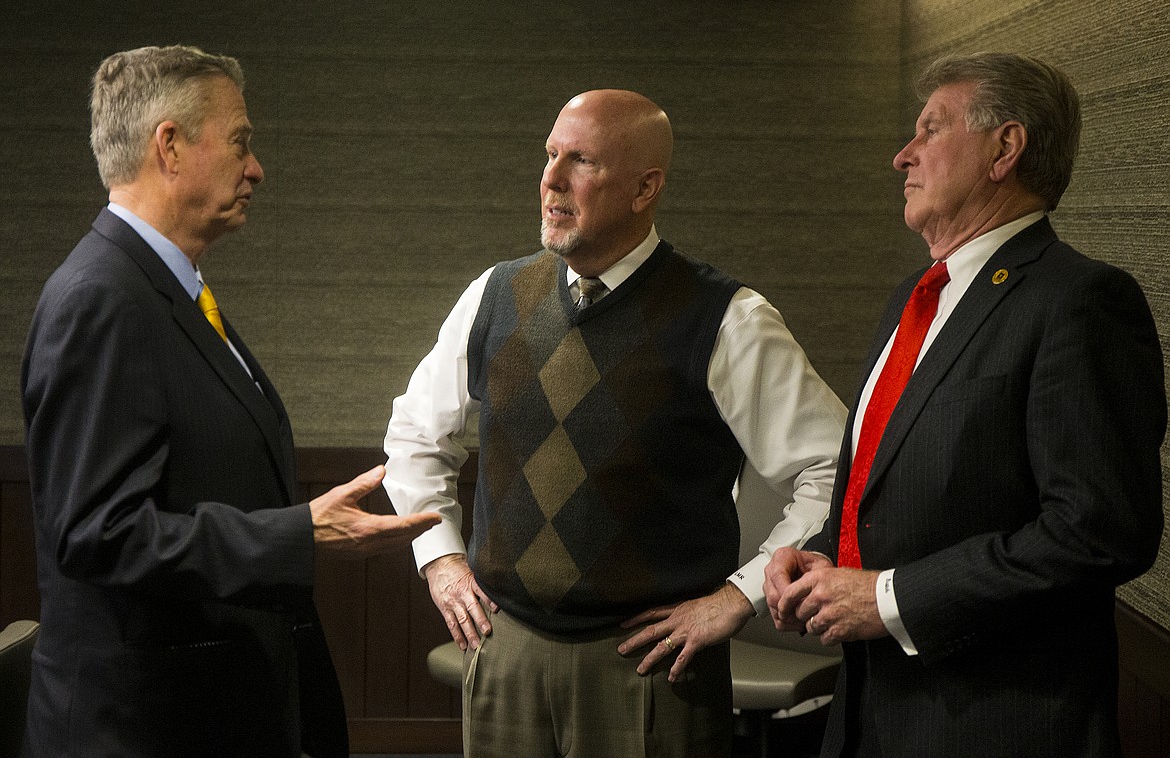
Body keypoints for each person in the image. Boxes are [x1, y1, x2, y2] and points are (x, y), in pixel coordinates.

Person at [383, 88, 847, 757]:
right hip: (503, 649)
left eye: (582, 161)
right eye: (549, 156)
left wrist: (737, 598)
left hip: (650, 668)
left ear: (644, 187)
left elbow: (836, 465)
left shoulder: (726, 317)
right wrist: (441, 560)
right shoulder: (495, 295)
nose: (551, 179)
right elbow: (414, 436)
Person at [20, 45, 441, 758]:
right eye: (242, 141)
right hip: (139, 728)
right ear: (170, 145)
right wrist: (299, 532)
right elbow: (98, 531)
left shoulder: (169, 289)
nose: (257, 168)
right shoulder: (101, 299)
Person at [764, 52, 1166, 757]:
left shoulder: (1081, 302)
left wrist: (887, 599)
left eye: (930, 128)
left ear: (1004, 149)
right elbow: (898, 495)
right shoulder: (912, 299)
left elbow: (1097, 531)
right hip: (867, 712)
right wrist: (820, 558)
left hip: (993, 722)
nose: (902, 155)